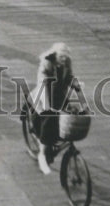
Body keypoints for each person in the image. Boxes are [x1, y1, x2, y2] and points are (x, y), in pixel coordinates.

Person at [26, 42, 81, 175]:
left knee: (70, 115)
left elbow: (69, 77)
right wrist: (48, 105)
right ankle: (43, 152)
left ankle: (56, 137)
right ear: (55, 55)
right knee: (49, 117)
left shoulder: (67, 62)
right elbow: (42, 81)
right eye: (61, 57)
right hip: (44, 93)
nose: (63, 59)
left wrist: (75, 84)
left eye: (65, 57)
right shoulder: (47, 62)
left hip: (59, 94)